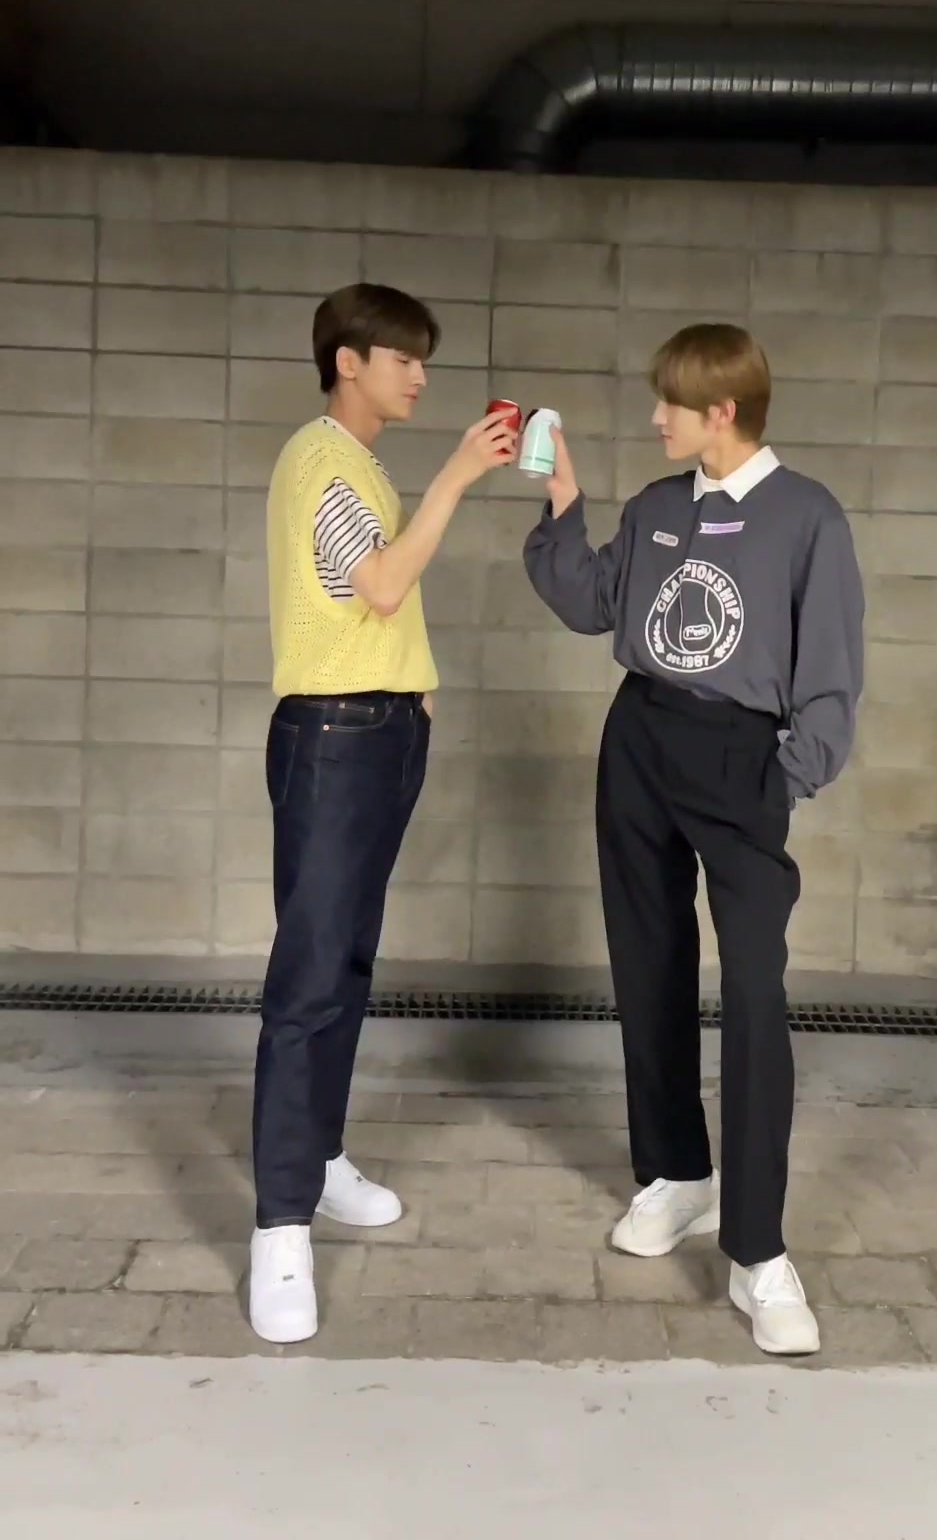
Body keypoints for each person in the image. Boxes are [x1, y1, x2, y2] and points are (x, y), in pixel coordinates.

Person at [523, 323, 863, 1356]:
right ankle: (677, 1171)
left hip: (741, 757)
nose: (654, 416)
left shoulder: (807, 516)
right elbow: (592, 602)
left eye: (670, 402)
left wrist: (785, 776)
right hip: (641, 738)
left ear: (722, 411)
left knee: (753, 988)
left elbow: (831, 670)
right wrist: (563, 502)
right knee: (650, 962)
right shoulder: (658, 507)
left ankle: (758, 1251)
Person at [250, 282, 515, 1344]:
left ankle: (317, 1162)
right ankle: (279, 1226)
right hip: (335, 737)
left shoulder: (357, 465)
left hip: (377, 733)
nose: (420, 375)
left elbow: (373, 608)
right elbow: (379, 586)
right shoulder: (322, 460)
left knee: (348, 963)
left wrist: (415, 696)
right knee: (310, 977)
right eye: (402, 357)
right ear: (347, 362)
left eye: (423, 359)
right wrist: (458, 473)